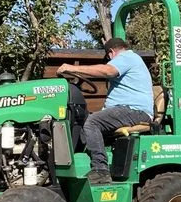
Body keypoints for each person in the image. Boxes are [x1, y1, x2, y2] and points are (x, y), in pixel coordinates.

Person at [57, 37, 153, 185]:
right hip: (125, 110)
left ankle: (101, 170)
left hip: (135, 111)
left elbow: (108, 71)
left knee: (92, 122)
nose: (109, 61)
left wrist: (72, 68)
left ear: (111, 53)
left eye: (108, 58)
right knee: (81, 122)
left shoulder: (127, 57)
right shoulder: (129, 59)